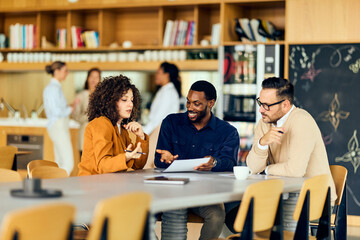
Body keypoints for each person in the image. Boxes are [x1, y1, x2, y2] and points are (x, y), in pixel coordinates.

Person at [244, 77, 337, 232]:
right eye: (260, 103)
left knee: (258, 220)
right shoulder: (264, 123)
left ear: (285, 104)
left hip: (313, 196)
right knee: (247, 216)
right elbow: (252, 167)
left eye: (266, 105)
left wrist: (266, 169)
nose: (261, 110)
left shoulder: (302, 121)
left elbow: (295, 171)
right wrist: (261, 143)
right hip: (283, 194)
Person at [155, 80, 240, 240]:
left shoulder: (228, 132)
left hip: (205, 194)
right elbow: (159, 159)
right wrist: (164, 159)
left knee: (216, 214)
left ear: (211, 103)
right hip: (174, 192)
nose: (190, 108)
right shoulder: (171, 122)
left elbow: (229, 164)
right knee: (173, 209)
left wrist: (214, 163)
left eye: (196, 104)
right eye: (188, 102)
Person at [78, 75, 149, 176]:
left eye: (132, 100)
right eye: (124, 100)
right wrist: (126, 157)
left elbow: (137, 166)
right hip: (93, 185)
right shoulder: (101, 123)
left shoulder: (122, 128)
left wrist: (140, 137)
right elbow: (103, 166)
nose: (131, 104)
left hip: (112, 184)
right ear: (110, 102)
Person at [43, 61, 75, 175]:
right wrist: (71, 109)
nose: (67, 73)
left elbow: (57, 108)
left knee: (60, 162)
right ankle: (59, 185)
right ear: (56, 71)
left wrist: (69, 107)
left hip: (58, 126)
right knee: (68, 163)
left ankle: (57, 185)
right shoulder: (53, 88)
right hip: (58, 126)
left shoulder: (55, 87)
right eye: (65, 70)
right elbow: (56, 111)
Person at [143, 62, 181, 135]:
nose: (156, 75)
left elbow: (158, 119)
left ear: (166, 75)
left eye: (158, 73)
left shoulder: (168, 92)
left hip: (160, 133)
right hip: (158, 132)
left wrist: (144, 132)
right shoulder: (164, 90)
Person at [71, 68, 101, 156]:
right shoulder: (81, 96)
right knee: (85, 165)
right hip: (84, 134)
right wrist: (88, 116)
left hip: (100, 136)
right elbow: (75, 116)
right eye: (92, 76)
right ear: (87, 78)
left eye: (97, 77)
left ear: (100, 79)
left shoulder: (103, 97)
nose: (94, 79)